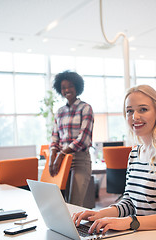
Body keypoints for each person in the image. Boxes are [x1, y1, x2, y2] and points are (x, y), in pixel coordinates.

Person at [72, 85, 156, 240]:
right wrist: (99, 214)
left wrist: (129, 222)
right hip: (145, 233)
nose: (135, 117)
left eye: (143, 109)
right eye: (129, 111)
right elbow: (130, 201)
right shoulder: (135, 153)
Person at [49, 70, 94, 207]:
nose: (67, 90)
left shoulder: (85, 108)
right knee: (60, 203)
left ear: (77, 87)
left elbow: (83, 139)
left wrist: (61, 154)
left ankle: (75, 229)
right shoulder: (60, 112)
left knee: (74, 204)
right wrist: (52, 157)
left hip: (80, 160)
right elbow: (55, 137)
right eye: (63, 87)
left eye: (70, 86)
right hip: (61, 161)